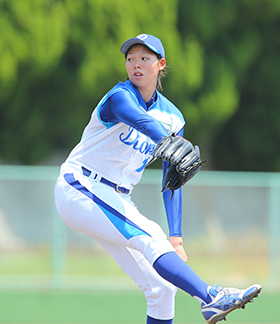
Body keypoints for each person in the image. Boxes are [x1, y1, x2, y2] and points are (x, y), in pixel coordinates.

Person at [54, 34, 262, 324]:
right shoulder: (119, 97)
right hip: (80, 186)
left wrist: (176, 237)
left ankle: (206, 296)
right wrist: (169, 140)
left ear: (160, 64)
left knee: (162, 288)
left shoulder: (173, 117)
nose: (136, 64)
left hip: (114, 197)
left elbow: (171, 180)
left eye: (144, 58)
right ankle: (210, 296)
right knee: (150, 235)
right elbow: (139, 120)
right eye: (130, 58)